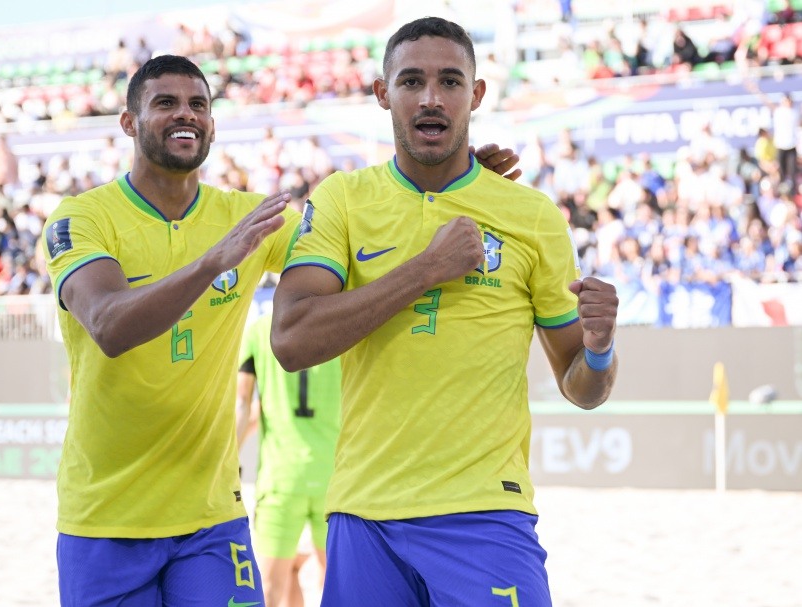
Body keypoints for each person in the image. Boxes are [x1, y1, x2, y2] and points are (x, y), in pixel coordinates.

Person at [42, 53, 522, 606]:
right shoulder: (81, 218)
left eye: (199, 104)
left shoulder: (249, 217)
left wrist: (453, 182)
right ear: (129, 122)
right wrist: (210, 263)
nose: (186, 115)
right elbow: (107, 324)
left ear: (213, 124)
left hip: (210, 518)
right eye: (165, 103)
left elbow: (358, 249)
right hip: (102, 519)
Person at [270, 17, 619, 607]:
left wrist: (600, 346)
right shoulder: (342, 199)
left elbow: (583, 389)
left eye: (450, 81)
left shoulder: (531, 215)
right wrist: (425, 269)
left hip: (486, 517)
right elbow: (291, 339)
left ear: (476, 95)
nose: (431, 98)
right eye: (411, 81)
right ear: (383, 95)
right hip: (364, 515)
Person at [236, 312, 341, 606]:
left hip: (281, 477)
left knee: (269, 589)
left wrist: (229, 460)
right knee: (339, 587)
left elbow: (243, 402)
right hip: (334, 476)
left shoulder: (259, 330)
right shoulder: (341, 325)